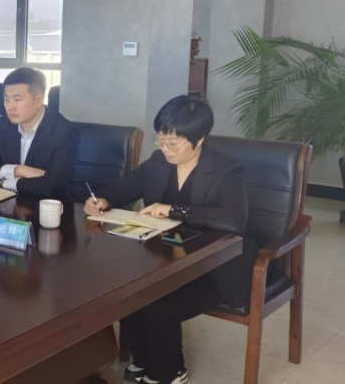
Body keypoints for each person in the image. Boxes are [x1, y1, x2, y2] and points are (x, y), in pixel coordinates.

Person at [84, 95, 255, 384]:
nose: (165, 149)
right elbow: (127, 187)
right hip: (164, 259)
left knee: (157, 306)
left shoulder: (227, 170)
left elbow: (235, 219)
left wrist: (174, 210)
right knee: (127, 295)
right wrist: (104, 199)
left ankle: (170, 371)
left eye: (173, 144)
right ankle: (143, 360)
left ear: (199, 140)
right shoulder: (158, 161)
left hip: (213, 267)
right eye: (161, 140)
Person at [0, 67, 79, 200]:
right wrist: (18, 170)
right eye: (6, 99)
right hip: (9, 205)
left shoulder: (64, 131)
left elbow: (53, 186)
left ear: (38, 100)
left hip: (50, 208)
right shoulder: (3, 125)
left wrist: (3, 184)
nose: (10, 107)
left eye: (17, 100)